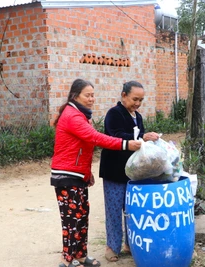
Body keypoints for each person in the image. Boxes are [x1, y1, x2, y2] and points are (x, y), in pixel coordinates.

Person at [50, 79, 142, 267]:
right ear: (76, 96)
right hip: (66, 175)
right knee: (71, 219)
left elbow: (83, 147)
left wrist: (86, 172)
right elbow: (94, 137)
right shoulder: (73, 116)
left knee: (82, 214)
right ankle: (66, 259)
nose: (92, 99)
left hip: (76, 174)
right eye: (87, 95)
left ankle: (81, 255)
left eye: (93, 95)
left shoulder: (80, 115)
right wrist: (126, 144)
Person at [98, 81, 159, 262]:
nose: (137, 103)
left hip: (133, 173)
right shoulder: (113, 114)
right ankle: (112, 247)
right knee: (114, 210)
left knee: (132, 210)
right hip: (114, 171)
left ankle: (130, 244)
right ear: (123, 96)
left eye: (141, 100)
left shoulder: (138, 117)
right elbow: (114, 136)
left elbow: (140, 142)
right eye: (134, 99)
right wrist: (141, 137)